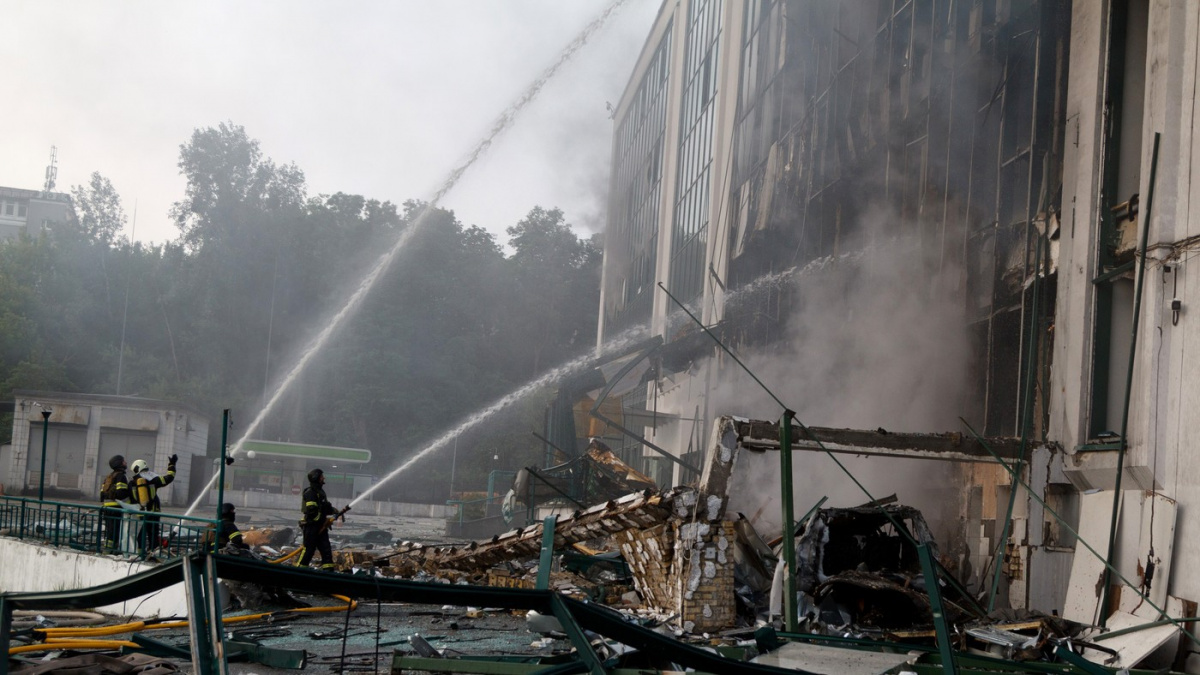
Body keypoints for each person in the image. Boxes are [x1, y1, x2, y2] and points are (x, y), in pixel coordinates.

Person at [131, 454, 177, 556]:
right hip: (153, 511)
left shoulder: (132, 481)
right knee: (153, 535)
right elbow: (169, 478)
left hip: (140, 512)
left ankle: (141, 554)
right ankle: (153, 553)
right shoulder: (151, 477)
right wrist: (172, 465)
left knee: (141, 535)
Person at [297, 468, 342, 570]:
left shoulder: (320, 492)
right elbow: (312, 512)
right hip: (311, 526)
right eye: (322, 476)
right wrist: (322, 520)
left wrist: (335, 511)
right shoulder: (310, 493)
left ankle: (329, 571)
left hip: (320, 526)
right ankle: (299, 570)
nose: (324, 478)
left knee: (326, 549)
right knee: (309, 550)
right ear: (316, 478)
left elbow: (324, 507)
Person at [99, 455, 131, 552]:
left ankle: (108, 549)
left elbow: (102, 495)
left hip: (107, 508)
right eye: (123, 461)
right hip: (116, 508)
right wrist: (129, 490)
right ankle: (112, 550)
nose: (125, 462)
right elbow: (121, 493)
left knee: (109, 531)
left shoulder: (109, 477)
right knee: (115, 531)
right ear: (119, 463)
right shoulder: (121, 476)